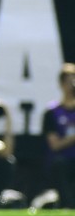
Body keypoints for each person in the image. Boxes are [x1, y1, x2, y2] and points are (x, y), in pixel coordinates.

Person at [43, 63, 75, 208]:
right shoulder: (52, 113)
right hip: (64, 161)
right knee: (60, 164)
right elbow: (55, 144)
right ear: (62, 84)